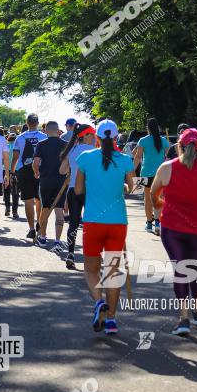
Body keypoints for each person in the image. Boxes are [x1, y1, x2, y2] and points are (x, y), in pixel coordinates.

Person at [152, 128, 197, 335]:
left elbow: (154, 193)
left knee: (181, 269)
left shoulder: (166, 168)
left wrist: (161, 204)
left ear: (179, 145)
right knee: (194, 269)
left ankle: (183, 319)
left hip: (172, 228)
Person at [75, 119, 135, 335]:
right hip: (118, 222)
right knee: (112, 270)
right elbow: (132, 187)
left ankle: (98, 301)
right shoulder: (125, 159)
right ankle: (111, 320)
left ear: (97, 138)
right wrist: (123, 186)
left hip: (93, 221)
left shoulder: (85, 158)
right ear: (117, 137)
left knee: (91, 269)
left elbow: (78, 190)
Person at [59, 123, 96, 269]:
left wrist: (71, 168)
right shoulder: (94, 151)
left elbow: (62, 171)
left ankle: (71, 254)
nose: (93, 137)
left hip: (73, 191)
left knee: (73, 223)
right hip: (90, 191)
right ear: (84, 135)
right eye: (91, 134)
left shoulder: (71, 150)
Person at [33, 121, 68, 251]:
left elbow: (36, 162)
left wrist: (36, 173)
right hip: (60, 182)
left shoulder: (41, 144)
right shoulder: (65, 144)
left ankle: (43, 237)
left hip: (45, 180)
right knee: (59, 211)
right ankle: (58, 241)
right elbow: (68, 163)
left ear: (46, 131)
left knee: (45, 208)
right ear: (58, 131)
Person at [11, 114, 47, 240]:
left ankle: (32, 228)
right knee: (39, 200)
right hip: (40, 170)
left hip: (24, 171)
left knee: (28, 201)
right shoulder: (43, 136)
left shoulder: (20, 137)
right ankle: (40, 226)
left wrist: (12, 172)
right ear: (37, 123)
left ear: (26, 123)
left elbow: (15, 157)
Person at [132, 117, 170, 235]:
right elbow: (169, 153)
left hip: (145, 173)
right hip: (160, 174)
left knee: (147, 198)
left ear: (148, 128)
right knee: (158, 198)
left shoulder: (143, 140)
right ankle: (158, 222)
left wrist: (131, 170)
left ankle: (149, 223)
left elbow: (138, 157)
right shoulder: (163, 140)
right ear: (157, 128)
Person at [4, 132, 20, 218]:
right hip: (16, 170)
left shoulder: (5, 145)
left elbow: (2, 159)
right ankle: (15, 211)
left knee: (6, 190)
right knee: (15, 191)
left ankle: (7, 208)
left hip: (5, 169)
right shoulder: (18, 146)